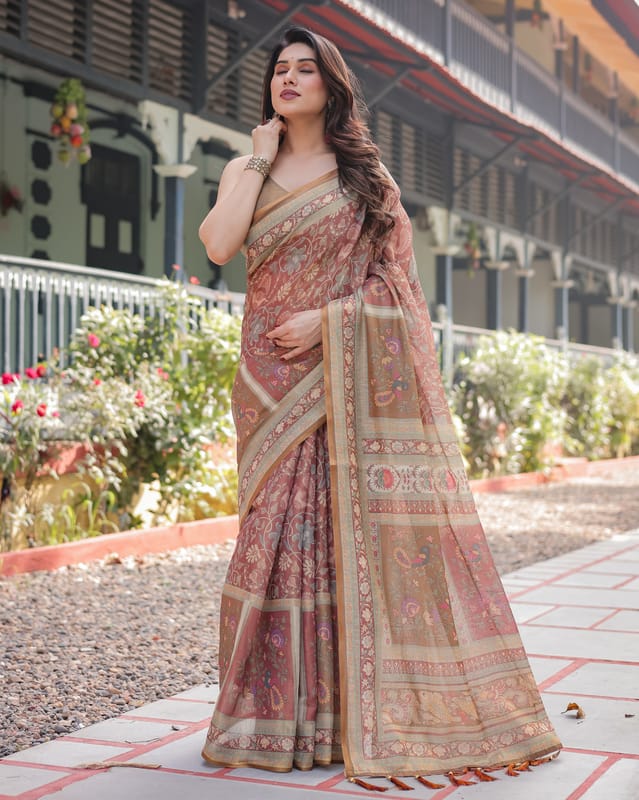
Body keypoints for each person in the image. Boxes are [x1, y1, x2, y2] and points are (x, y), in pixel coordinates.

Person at [198, 26, 562, 787]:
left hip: (334, 374)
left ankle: (339, 719)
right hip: (266, 382)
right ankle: (271, 716)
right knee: (270, 539)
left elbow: (400, 290)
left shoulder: (365, 178)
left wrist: (330, 324)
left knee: (334, 540)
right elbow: (219, 246)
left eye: (306, 69)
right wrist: (258, 158)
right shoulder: (244, 167)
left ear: (331, 86)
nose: (288, 79)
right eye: (279, 69)